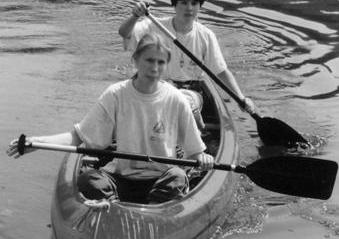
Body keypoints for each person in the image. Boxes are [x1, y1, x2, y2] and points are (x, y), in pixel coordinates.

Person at [7, 33, 214, 205]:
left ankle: (152, 212)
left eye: (161, 62)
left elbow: (196, 151)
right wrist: (37, 143)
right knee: (88, 179)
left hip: (161, 179)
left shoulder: (176, 99)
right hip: (121, 177)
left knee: (177, 177)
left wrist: (204, 158)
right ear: (135, 60)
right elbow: (78, 137)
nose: (155, 68)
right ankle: (114, 210)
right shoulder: (115, 94)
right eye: (149, 60)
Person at [118, 0, 255, 114]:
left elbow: (221, 71)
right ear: (174, 5)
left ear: (199, 6)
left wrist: (241, 99)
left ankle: (198, 129)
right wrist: (135, 16)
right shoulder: (155, 25)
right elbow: (124, 33)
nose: (189, 8)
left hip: (192, 92)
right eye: (183, 3)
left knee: (180, 103)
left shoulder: (206, 36)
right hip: (158, 84)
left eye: (194, 3)